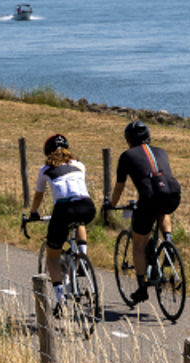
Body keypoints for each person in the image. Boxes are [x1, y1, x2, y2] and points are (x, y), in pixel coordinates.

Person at [106, 119, 181, 301]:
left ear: (128, 140)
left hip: (149, 198)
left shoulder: (126, 156)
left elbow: (119, 186)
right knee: (162, 211)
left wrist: (111, 204)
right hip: (173, 194)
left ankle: (141, 287)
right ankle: (168, 241)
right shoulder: (161, 151)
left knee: (139, 244)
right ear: (148, 137)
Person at [26, 133, 96, 291]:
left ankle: (60, 297)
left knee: (52, 256)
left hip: (64, 209)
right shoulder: (79, 165)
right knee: (80, 223)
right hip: (87, 206)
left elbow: (39, 195)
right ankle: (82, 257)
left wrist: (33, 212)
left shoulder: (45, 169)